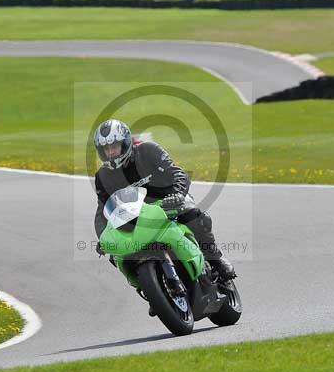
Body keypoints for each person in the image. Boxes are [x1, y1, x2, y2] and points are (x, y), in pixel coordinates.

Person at [92, 119, 236, 282]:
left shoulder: (148, 150)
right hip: (137, 216)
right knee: (115, 252)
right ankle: (148, 288)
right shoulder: (102, 176)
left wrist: (178, 194)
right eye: (106, 149)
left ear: (125, 144)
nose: (110, 153)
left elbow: (178, 173)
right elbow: (102, 211)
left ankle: (216, 260)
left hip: (169, 201)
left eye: (114, 147)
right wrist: (103, 237)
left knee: (195, 216)